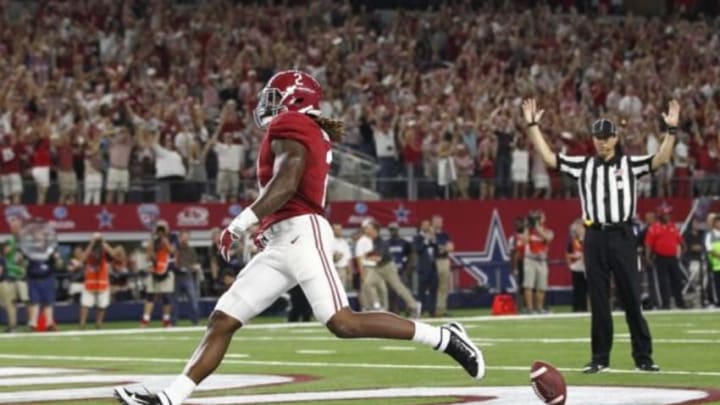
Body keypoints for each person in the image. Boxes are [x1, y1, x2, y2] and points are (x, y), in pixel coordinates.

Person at [115, 70, 484, 405]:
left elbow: (288, 180)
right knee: (223, 319)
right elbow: (290, 189)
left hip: (303, 235)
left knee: (343, 323)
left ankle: (445, 338)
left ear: (295, 100)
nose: (267, 106)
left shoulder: (291, 123)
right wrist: (267, 226)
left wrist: (242, 221)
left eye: (275, 97)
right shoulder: (302, 127)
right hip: (283, 239)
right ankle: (171, 397)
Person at [521, 97, 679, 373]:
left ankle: (643, 357)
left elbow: (661, 158)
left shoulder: (630, 164)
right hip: (594, 236)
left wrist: (671, 131)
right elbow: (549, 158)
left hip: (622, 235)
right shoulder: (585, 166)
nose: (602, 142)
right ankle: (600, 358)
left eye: (607, 138)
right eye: (598, 138)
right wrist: (533, 125)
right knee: (599, 300)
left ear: (616, 138)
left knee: (631, 297)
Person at [645, 205, 686, 309]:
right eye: (666, 214)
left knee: (677, 280)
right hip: (660, 258)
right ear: (661, 215)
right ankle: (665, 303)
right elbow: (648, 244)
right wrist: (647, 257)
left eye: (669, 214)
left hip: (673, 257)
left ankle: (680, 302)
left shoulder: (672, 226)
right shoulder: (654, 228)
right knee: (662, 282)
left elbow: (679, 239)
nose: (668, 216)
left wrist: (683, 246)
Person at [74, 233, 119, 329]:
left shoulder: (104, 251)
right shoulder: (89, 250)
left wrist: (103, 242)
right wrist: (92, 243)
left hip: (102, 282)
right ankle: (82, 324)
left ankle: (98, 324)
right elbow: (82, 259)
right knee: (85, 304)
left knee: (102, 305)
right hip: (90, 282)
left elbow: (114, 254)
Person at [140, 220, 178, 328]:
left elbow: (172, 251)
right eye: (159, 228)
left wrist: (164, 239)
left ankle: (166, 320)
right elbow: (149, 254)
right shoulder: (153, 238)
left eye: (163, 228)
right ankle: (145, 320)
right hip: (154, 269)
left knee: (166, 295)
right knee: (150, 295)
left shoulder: (173, 237)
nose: (160, 230)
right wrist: (153, 238)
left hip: (167, 269)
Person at [521, 210, 554, 313]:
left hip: (542, 261)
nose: (539, 219)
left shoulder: (548, 231)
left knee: (541, 286)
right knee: (528, 285)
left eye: (540, 217)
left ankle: (539, 308)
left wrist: (536, 227)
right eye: (538, 218)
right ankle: (530, 309)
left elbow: (547, 238)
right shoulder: (529, 231)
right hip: (530, 260)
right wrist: (527, 227)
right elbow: (524, 241)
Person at [356, 219, 388, 311]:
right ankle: (372, 307)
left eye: (370, 228)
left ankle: (384, 308)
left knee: (382, 288)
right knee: (369, 287)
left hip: (378, 267)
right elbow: (359, 258)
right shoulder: (362, 241)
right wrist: (362, 272)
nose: (368, 230)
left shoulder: (375, 240)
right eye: (367, 228)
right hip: (368, 267)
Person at [172, 231, 201, 326]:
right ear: (179, 238)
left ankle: (196, 321)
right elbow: (172, 262)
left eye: (186, 237)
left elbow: (194, 264)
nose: (184, 239)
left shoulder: (191, 250)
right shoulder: (175, 249)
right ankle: (173, 322)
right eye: (183, 237)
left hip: (188, 277)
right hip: (176, 277)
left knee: (193, 300)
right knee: (174, 302)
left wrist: (190, 267)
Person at [414, 219, 439, 317]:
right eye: (425, 225)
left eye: (428, 225)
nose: (427, 227)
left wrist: (433, 240)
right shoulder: (418, 237)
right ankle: (422, 310)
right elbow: (418, 249)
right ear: (421, 226)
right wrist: (426, 240)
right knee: (422, 291)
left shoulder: (432, 238)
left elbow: (437, 251)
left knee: (433, 290)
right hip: (423, 268)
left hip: (433, 268)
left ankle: (432, 310)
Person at [432, 215, 454, 317]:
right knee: (434, 286)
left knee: (444, 286)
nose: (438, 223)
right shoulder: (430, 234)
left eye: (439, 221)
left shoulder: (445, 235)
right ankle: (434, 309)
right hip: (433, 261)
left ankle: (442, 309)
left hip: (444, 260)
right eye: (436, 221)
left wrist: (442, 248)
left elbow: (451, 247)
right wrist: (443, 248)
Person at [566, 219, 587, 312]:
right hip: (576, 267)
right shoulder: (572, 241)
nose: (580, 230)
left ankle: (586, 307)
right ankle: (577, 307)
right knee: (578, 288)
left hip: (586, 267)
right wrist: (570, 264)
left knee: (587, 289)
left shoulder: (588, 240)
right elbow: (567, 254)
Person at [508, 217, 526, 309]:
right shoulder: (513, 238)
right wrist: (513, 268)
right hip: (519, 264)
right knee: (520, 286)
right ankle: (520, 306)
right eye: (516, 224)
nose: (518, 226)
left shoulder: (528, 236)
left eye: (520, 223)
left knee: (530, 286)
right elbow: (512, 254)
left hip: (528, 263)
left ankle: (532, 306)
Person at [331, 224, 352, 291]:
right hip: (332, 270)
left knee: (342, 292)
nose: (338, 231)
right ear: (332, 230)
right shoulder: (328, 241)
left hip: (342, 271)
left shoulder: (344, 242)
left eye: (340, 229)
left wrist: (349, 273)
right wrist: (335, 256)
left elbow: (348, 259)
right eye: (336, 229)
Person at [705, 215, 720, 306]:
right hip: (716, 264)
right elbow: (709, 249)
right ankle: (717, 301)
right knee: (717, 284)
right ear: (714, 224)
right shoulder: (710, 235)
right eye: (718, 222)